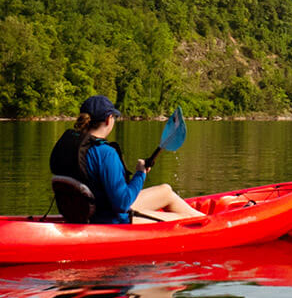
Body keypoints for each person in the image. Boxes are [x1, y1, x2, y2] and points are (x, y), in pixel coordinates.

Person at [50, 95, 203, 223]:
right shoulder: (106, 153)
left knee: (166, 190)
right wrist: (140, 174)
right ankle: (211, 224)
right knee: (186, 219)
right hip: (112, 220)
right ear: (109, 119)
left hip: (90, 212)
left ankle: (209, 220)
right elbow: (122, 203)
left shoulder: (69, 146)